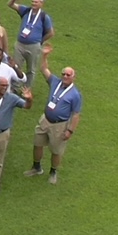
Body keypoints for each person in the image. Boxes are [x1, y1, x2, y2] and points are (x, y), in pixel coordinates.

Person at [25, 45, 83, 185]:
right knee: (37, 143)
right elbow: (44, 69)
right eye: (63, 73)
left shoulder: (75, 95)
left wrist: (70, 131)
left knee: (56, 151)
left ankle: (53, 172)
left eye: (68, 74)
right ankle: (36, 167)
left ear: (74, 77)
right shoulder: (56, 82)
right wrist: (45, 56)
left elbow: (76, 115)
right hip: (45, 119)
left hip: (60, 124)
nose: (65, 76)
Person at [8, 0, 54, 91]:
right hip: (20, 44)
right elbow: (10, 5)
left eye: (36, 2)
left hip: (34, 46)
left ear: (41, 3)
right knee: (15, 66)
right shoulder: (25, 10)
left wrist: (40, 41)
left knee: (31, 70)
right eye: (32, 2)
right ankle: (14, 88)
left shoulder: (44, 17)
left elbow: (51, 32)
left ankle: (26, 89)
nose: (33, 4)